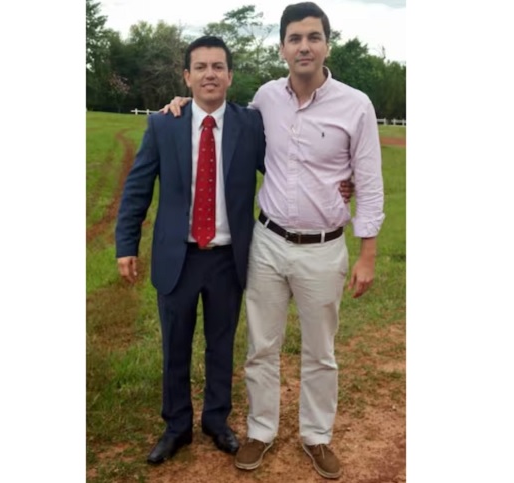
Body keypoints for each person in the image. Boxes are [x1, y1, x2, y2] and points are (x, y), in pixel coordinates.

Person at [164, 2, 385, 480]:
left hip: (324, 247)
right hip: (267, 241)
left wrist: (367, 253)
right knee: (261, 346)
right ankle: (260, 430)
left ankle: (316, 436)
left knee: (320, 351)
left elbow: (369, 183)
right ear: (282, 47)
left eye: (313, 37)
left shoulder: (356, 105)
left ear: (327, 45)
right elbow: (225, 122)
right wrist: (181, 105)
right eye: (295, 38)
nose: (304, 46)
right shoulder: (266, 97)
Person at [115, 35, 267, 464]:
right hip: (177, 257)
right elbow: (138, 188)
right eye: (200, 67)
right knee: (175, 347)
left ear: (230, 75)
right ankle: (176, 426)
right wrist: (126, 244)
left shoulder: (251, 125)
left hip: (227, 259)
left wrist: (338, 181)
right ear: (186, 76)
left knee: (221, 345)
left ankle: (216, 420)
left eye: (218, 66)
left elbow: (285, 170)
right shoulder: (164, 125)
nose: (209, 74)